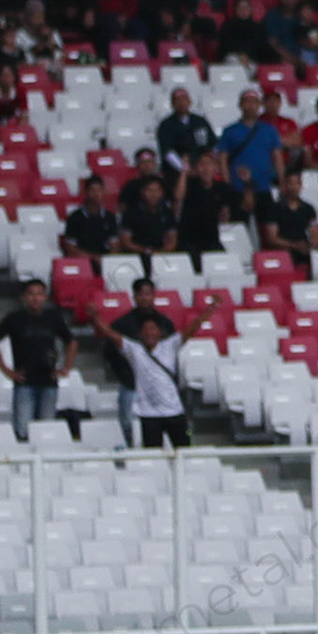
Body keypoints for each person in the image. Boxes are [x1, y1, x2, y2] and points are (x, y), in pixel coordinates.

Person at [89, 293, 222, 448]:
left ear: (160, 333)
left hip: (175, 412)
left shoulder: (171, 345)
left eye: (153, 329)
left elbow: (193, 327)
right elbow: (110, 333)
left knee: (185, 451)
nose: (149, 333)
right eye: (145, 330)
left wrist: (211, 309)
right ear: (140, 335)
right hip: (149, 415)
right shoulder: (134, 350)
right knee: (154, 455)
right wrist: (95, 316)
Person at [0, 279, 76, 441]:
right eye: (31, 294)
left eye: (39, 294)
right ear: (24, 297)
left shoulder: (54, 318)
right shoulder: (15, 318)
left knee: (46, 431)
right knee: (23, 430)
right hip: (24, 381)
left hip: (49, 380)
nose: (35, 298)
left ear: (45, 297)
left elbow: (71, 341)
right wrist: (6, 370)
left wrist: (66, 367)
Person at [102, 279, 175, 445]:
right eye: (141, 294)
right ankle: (132, 454)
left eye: (148, 293)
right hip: (131, 384)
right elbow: (109, 352)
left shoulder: (165, 324)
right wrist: (125, 374)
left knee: (164, 422)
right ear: (134, 296)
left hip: (159, 386)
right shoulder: (122, 324)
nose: (145, 298)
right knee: (128, 422)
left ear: (154, 295)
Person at [175, 151, 248, 255]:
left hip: (212, 239)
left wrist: (247, 184)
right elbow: (178, 197)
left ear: (216, 168)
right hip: (189, 239)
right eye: (202, 164)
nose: (206, 168)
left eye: (209, 164)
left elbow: (246, 206)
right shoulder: (190, 185)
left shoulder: (222, 188)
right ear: (196, 168)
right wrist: (184, 171)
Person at [215, 89, 283, 193]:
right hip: (238, 187)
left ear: (259, 105)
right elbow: (223, 159)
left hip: (264, 186)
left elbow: (277, 157)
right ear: (240, 105)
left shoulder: (269, 130)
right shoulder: (230, 131)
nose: (251, 105)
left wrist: (282, 181)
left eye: (254, 102)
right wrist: (227, 182)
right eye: (247, 101)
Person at [258, 169, 315, 270]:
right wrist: (295, 246)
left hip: (304, 252)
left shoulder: (308, 209)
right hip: (282, 253)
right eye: (290, 183)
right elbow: (272, 239)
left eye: (297, 183)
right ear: (284, 185)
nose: (294, 187)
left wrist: (312, 244)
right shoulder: (274, 209)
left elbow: (314, 232)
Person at [157, 87, 217, 182]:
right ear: (172, 104)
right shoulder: (166, 125)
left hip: (201, 172)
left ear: (190, 102)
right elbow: (167, 152)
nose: (182, 103)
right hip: (176, 173)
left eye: (184, 99)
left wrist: (207, 166)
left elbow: (212, 144)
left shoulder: (200, 121)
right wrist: (184, 169)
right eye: (178, 100)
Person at [60, 174, 120, 264]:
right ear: (86, 192)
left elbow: (114, 245)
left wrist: (108, 260)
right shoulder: (74, 218)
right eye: (93, 190)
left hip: (106, 261)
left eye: (99, 190)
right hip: (83, 262)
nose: (96, 194)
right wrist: (94, 258)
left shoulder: (110, 217)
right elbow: (71, 248)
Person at [119, 177, 179, 262]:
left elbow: (172, 240)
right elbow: (126, 242)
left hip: (162, 256)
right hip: (136, 257)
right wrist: (146, 251)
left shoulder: (167, 212)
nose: (153, 194)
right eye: (150, 190)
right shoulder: (131, 213)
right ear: (142, 192)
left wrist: (161, 252)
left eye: (157, 190)